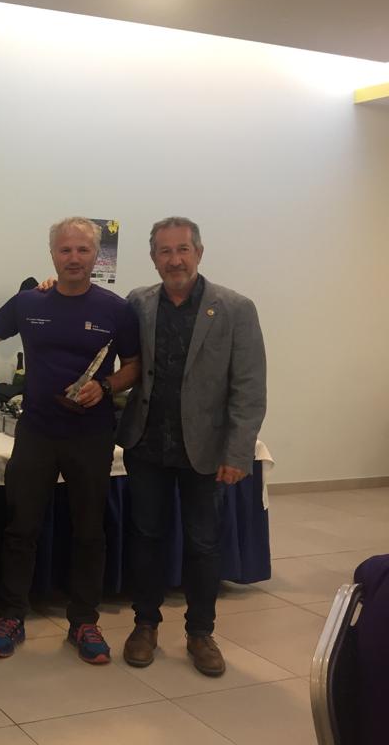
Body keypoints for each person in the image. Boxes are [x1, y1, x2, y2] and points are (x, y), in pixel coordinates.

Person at [0, 216, 140, 665]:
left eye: (83, 250)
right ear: (52, 254)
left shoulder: (116, 309)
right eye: (65, 250)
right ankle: (12, 615)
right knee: (21, 528)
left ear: (96, 256)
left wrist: (106, 387)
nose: (74, 258)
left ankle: (84, 621)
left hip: (91, 435)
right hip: (36, 431)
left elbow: (133, 366)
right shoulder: (29, 302)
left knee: (89, 530)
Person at [117, 216, 266, 677]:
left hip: (205, 450)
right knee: (146, 538)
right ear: (153, 258)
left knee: (203, 544)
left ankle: (201, 632)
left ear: (199, 252)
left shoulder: (235, 308)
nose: (175, 259)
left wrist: (238, 452)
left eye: (183, 249)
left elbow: (249, 387)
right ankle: (145, 624)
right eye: (165, 251)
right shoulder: (137, 303)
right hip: (147, 445)